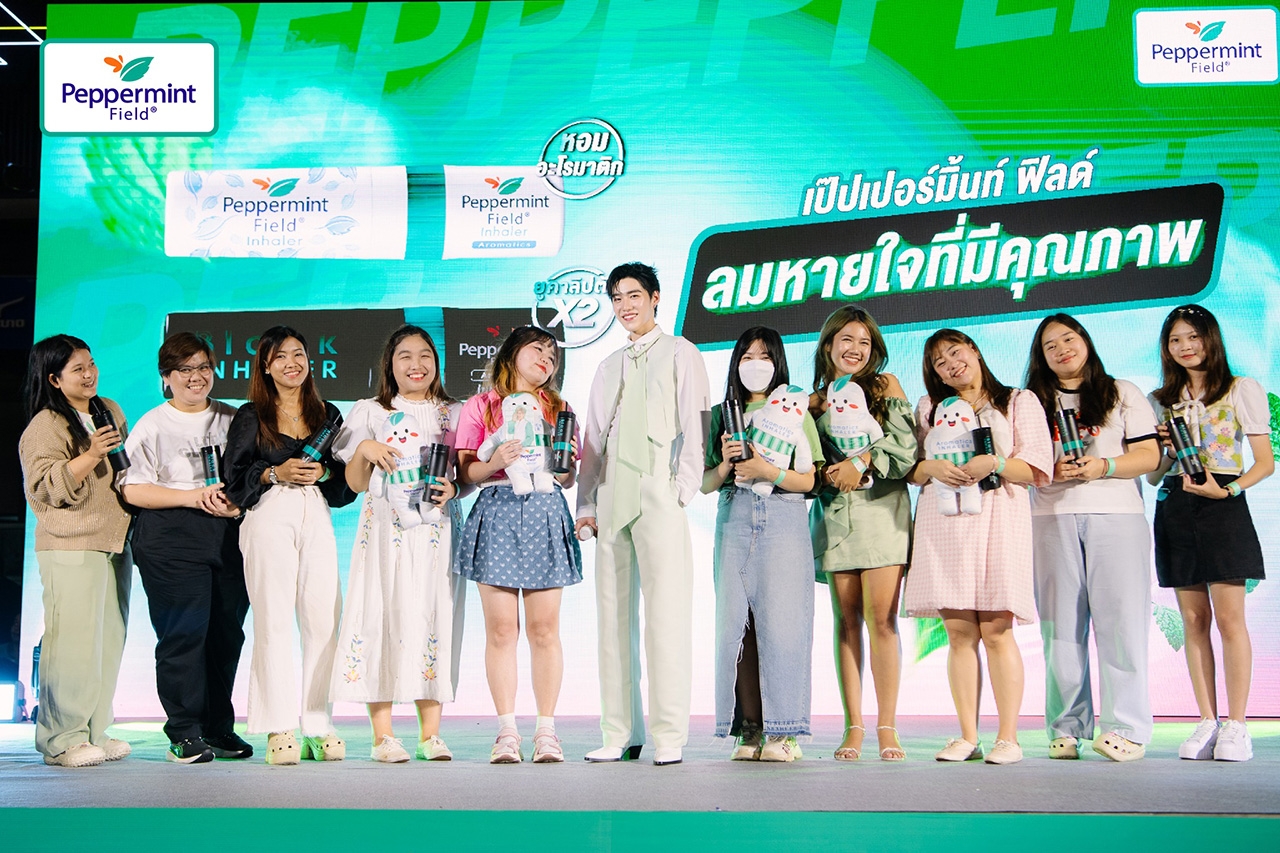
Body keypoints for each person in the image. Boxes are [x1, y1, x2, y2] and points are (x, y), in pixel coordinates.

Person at [576, 262, 711, 766]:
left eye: (633, 295)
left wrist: (682, 489)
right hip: (613, 489)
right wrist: (586, 503)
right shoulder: (608, 364)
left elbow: (698, 421)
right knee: (612, 615)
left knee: (666, 616)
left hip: (659, 485)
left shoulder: (681, 351)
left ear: (655, 297)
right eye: (616, 298)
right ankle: (619, 732)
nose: (624, 306)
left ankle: (669, 735)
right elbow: (593, 437)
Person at [905, 329, 1052, 765]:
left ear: (974, 350)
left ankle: (1008, 737)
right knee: (959, 633)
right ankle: (968, 736)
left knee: (997, 630)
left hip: (998, 519)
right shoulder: (929, 408)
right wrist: (930, 467)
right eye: (939, 362)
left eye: (956, 352)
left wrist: (996, 463)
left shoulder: (1017, 401)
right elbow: (912, 470)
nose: (951, 364)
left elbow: (1038, 468)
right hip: (944, 523)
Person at [1025, 314, 1160, 762]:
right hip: (1051, 515)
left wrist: (1104, 466)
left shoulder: (1121, 392)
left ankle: (1127, 728)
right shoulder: (1031, 402)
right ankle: (1066, 727)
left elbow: (1148, 455)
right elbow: (1019, 460)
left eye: (1068, 339)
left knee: (1122, 623)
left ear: (1085, 341)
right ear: (1041, 358)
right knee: (1060, 626)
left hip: (1116, 514)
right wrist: (1051, 471)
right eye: (1050, 346)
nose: (1062, 349)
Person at [329, 325, 465, 763]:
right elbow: (354, 484)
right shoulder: (370, 411)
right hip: (385, 533)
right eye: (405, 355)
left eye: (425, 355)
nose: (416, 365)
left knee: (433, 614)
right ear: (390, 363)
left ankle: (431, 736)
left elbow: (465, 475)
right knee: (380, 612)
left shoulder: (454, 413)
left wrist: (455, 489)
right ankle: (383, 736)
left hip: (436, 531)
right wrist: (364, 450)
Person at [1146, 304, 1273, 762]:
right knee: (1194, 620)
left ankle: (1237, 724)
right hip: (1175, 506)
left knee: (1230, 619)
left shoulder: (1240, 389)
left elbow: (1265, 462)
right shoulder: (1160, 399)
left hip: (1223, 504)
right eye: (1175, 340)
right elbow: (1153, 476)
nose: (1185, 347)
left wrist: (1228, 490)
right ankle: (1206, 719)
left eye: (1193, 337)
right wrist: (1164, 449)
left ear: (1210, 339)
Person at [224, 326, 355, 765]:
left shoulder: (327, 413)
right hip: (269, 512)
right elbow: (233, 478)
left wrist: (323, 473)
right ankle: (278, 725)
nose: (291, 363)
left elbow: (342, 480)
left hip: (314, 511)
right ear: (265, 366)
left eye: (298, 354)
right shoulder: (251, 415)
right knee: (274, 619)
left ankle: (317, 722)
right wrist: (273, 473)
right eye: (280, 356)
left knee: (323, 618)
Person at [121, 332, 251, 764]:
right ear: (166, 377)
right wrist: (192, 497)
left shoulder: (233, 418)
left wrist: (238, 504)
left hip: (229, 537)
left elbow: (252, 476)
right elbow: (133, 489)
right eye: (184, 369)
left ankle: (218, 727)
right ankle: (183, 731)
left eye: (203, 367)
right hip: (171, 537)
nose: (196, 377)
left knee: (226, 635)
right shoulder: (153, 424)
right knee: (184, 634)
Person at [455, 326, 582, 764]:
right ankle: (506, 731)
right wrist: (495, 461)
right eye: (538, 349)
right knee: (501, 630)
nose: (547, 358)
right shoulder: (481, 405)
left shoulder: (560, 409)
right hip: (497, 509)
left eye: (553, 355)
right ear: (512, 353)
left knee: (544, 629)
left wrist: (561, 466)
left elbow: (569, 476)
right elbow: (467, 472)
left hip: (545, 509)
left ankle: (547, 731)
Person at [702, 327, 820, 762]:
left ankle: (784, 732)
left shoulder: (794, 408)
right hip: (734, 515)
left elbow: (810, 480)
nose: (756, 365)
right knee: (738, 628)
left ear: (778, 363)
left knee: (785, 626)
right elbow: (704, 483)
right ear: (735, 363)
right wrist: (727, 464)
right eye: (747, 356)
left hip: (784, 514)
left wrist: (768, 472)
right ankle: (748, 729)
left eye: (765, 357)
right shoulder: (721, 413)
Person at [808, 307, 916, 762]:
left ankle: (887, 727)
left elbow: (905, 450)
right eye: (847, 340)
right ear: (829, 344)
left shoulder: (885, 387)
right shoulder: (812, 402)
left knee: (882, 619)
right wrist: (825, 474)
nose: (855, 349)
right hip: (836, 515)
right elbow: (805, 465)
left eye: (865, 342)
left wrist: (862, 460)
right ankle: (853, 727)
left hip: (882, 512)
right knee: (846, 621)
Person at [19, 335, 132, 767]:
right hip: (70, 543)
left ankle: (94, 730)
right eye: (78, 369)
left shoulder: (110, 410)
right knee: (72, 643)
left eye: (91, 364)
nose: (90, 375)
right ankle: (62, 738)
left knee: (107, 641)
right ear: (54, 379)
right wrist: (92, 453)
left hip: (114, 540)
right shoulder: (46, 424)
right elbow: (45, 487)